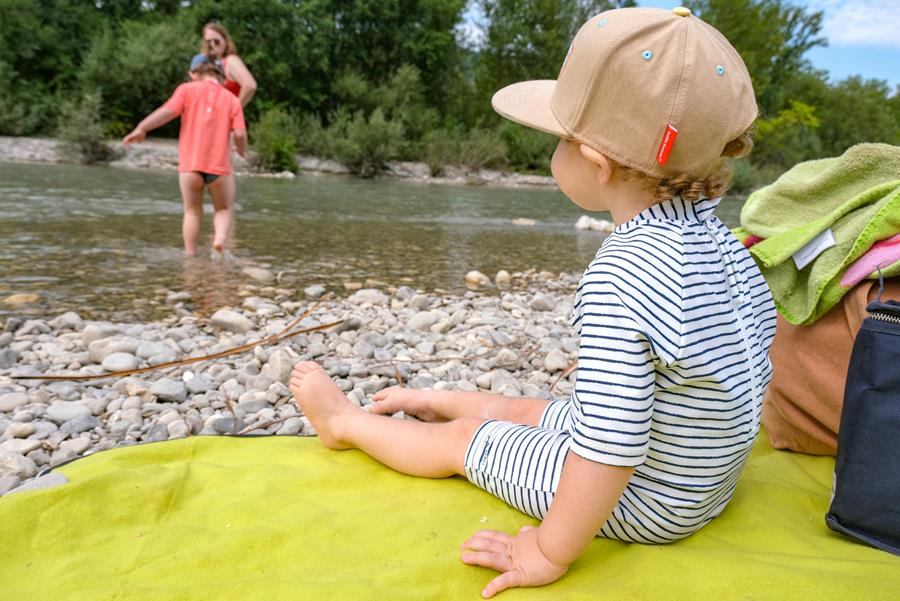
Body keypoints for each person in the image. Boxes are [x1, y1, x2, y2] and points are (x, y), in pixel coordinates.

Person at [289, 6, 776, 598]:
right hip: (703, 477)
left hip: (649, 500)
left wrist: (548, 550)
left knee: (464, 441)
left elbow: (611, 447)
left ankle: (345, 424)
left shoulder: (624, 273)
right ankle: (432, 399)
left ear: (596, 164)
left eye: (559, 137)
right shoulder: (723, 245)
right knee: (528, 409)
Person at [123, 54, 247, 256]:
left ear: (193, 74)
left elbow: (166, 112)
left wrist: (141, 128)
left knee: (192, 211)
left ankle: (190, 255)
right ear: (222, 76)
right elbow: (240, 134)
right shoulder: (232, 99)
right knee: (223, 209)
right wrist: (242, 151)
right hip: (219, 168)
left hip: (190, 166)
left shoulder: (186, 90)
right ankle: (219, 240)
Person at [200, 22, 257, 107]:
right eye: (208, 42)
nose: (212, 45)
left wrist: (234, 109)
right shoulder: (205, 65)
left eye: (216, 41)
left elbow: (250, 85)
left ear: (225, 41)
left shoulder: (231, 61)